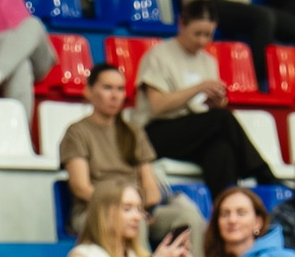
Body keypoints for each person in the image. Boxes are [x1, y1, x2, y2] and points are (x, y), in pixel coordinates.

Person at [131, 1, 269, 201]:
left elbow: (203, 111)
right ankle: (261, 171)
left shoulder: (208, 61)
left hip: (192, 132)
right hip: (154, 133)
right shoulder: (158, 55)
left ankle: (224, 207)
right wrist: (199, 88)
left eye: (209, 35)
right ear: (181, 25)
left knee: (222, 150)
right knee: (222, 119)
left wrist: (214, 104)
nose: (203, 41)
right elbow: (157, 107)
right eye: (197, 33)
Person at [58, 62, 201, 245]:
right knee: (133, 221)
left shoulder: (134, 132)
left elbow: (151, 190)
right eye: (107, 88)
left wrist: (135, 208)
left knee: (188, 217)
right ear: (88, 91)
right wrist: (125, 209)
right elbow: (81, 187)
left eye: (120, 89)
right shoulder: (77, 132)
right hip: (94, 212)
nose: (114, 95)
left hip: (139, 208)